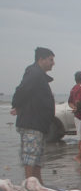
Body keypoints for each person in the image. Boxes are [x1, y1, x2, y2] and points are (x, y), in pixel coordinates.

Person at [11, 47, 56, 183]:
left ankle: (38, 184)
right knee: (30, 155)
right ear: (41, 59)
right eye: (51, 60)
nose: (53, 63)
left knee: (37, 156)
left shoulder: (39, 75)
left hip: (38, 124)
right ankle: (30, 185)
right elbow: (22, 90)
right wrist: (16, 106)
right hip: (32, 123)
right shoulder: (34, 72)